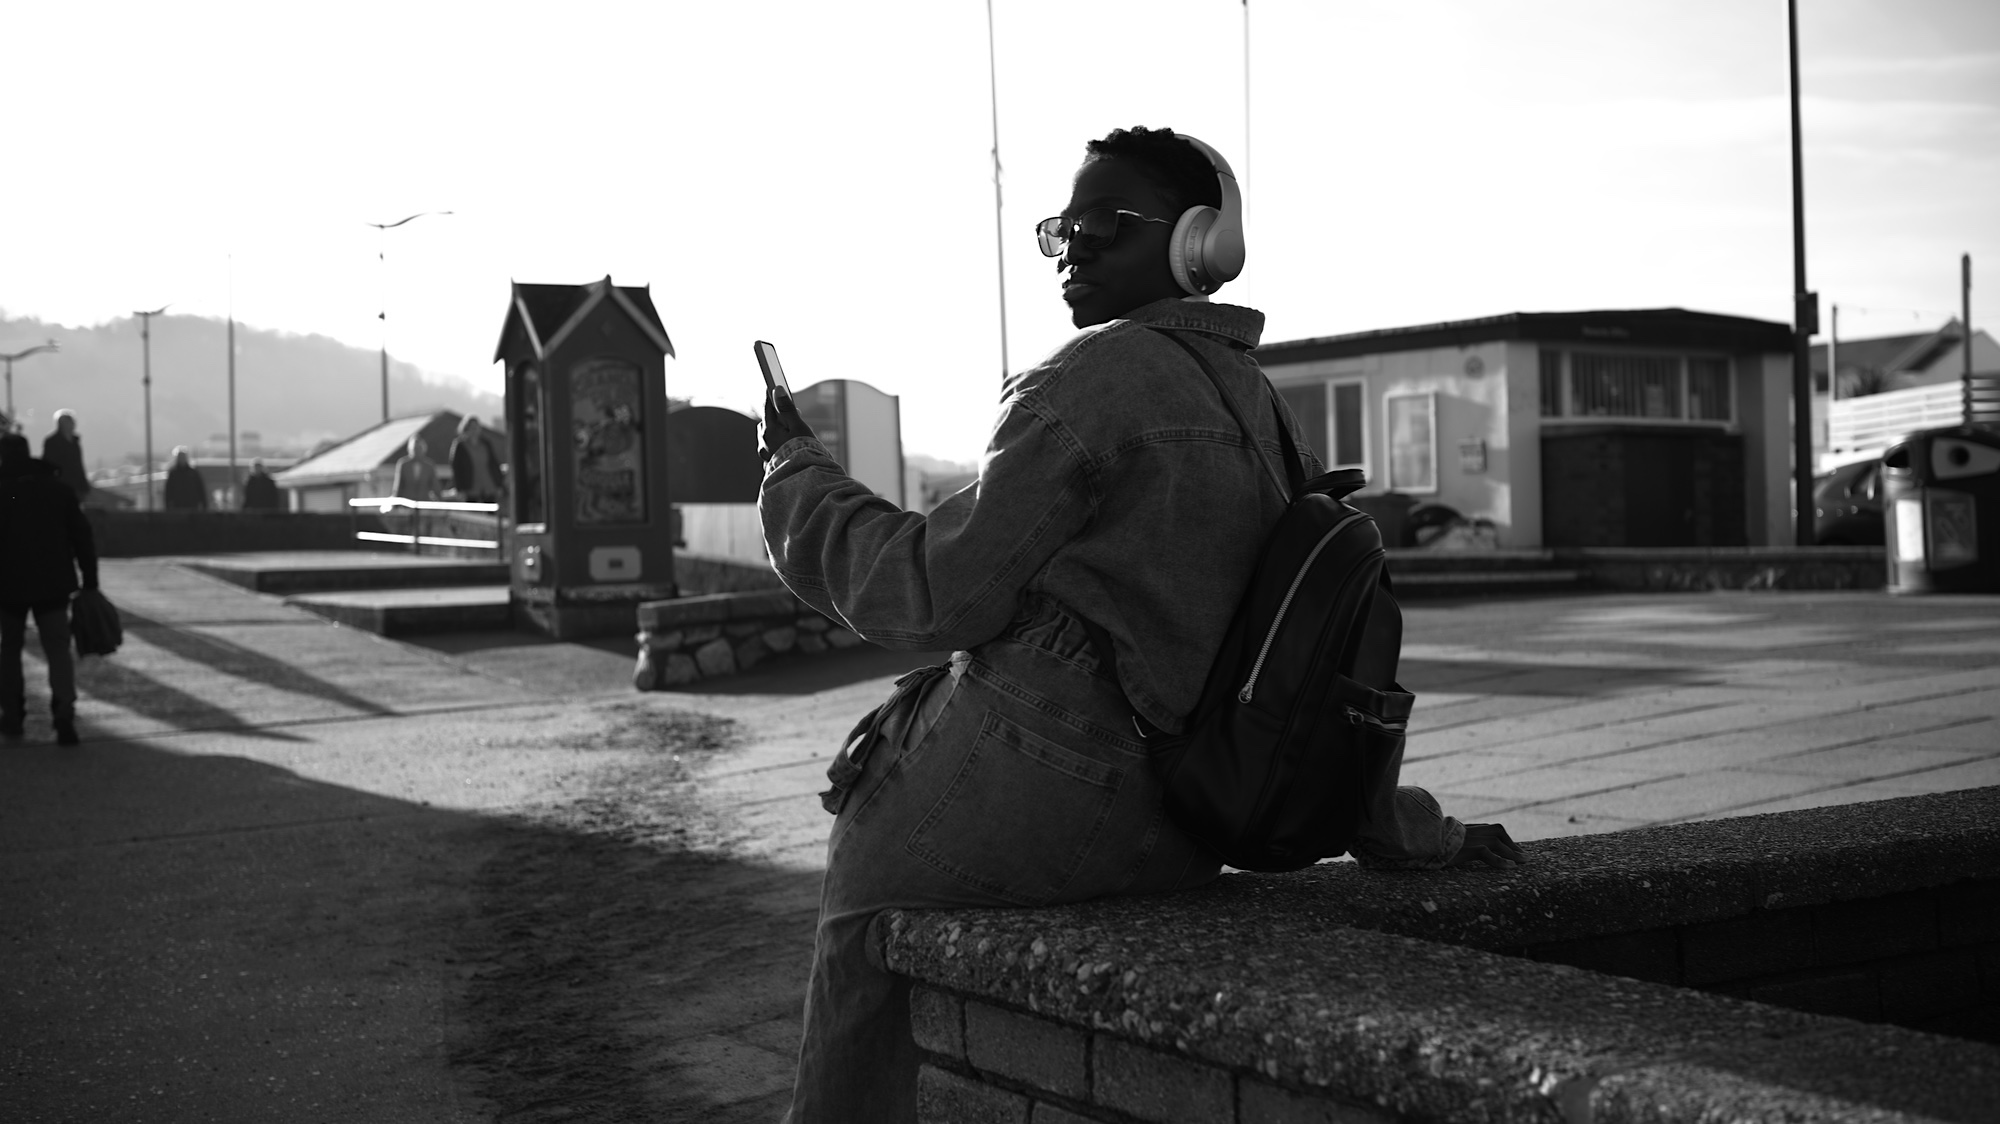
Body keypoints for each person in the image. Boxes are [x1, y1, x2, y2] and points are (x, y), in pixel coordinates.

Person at [757, 127, 1523, 1122]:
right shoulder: (1256, 400)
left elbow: (933, 593)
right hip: (1180, 817)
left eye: (1100, 224)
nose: (1070, 247)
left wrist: (795, 480)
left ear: (1198, 242)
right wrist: (1396, 822)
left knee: (862, 911)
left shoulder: (1091, 377)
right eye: (1057, 230)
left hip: (1036, 776)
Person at [0, 432, 97, 745]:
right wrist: (90, 581)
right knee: (57, 649)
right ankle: (64, 711)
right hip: (53, 584)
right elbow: (82, 537)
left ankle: (12, 715)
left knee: (9, 650)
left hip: (8, 586)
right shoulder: (58, 490)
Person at [448, 416, 505, 503]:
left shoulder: (485, 444)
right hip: (470, 489)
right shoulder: (460, 445)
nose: (474, 430)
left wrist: (500, 484)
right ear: (466, 428)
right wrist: (460, 489)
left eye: (476, 427)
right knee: (474, 515)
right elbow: (456, 468)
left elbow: (494, 464)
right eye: (471, 427)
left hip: (489, 487)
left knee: (491, 514)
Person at [42, 409, 91, 503]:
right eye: (70, 421)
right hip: (60, 485)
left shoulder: (75, 441)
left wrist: (84, 485)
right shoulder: (52, 442)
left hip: (77, 485)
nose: (73, 424)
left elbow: (79, 465)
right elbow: (47, 464)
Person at [391, 435, 439, 501]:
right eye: (414, 449)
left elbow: (435, 487)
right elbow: (397, 487)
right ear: (409, 449)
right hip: (407, 504)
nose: (416, 451)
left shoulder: (429, 466)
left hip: (423, 503)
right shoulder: (403, 464)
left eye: (419, 448)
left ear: (423, 449)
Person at [162, 446, 207, 510]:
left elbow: (200, 489)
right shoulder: (173, 474)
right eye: (180, 457)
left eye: (183, 457)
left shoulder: (193, 473)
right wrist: (167, 506)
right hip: (177, 507)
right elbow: (168, 491)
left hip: (192, 507)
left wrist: (204, 505)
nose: (182, 459)